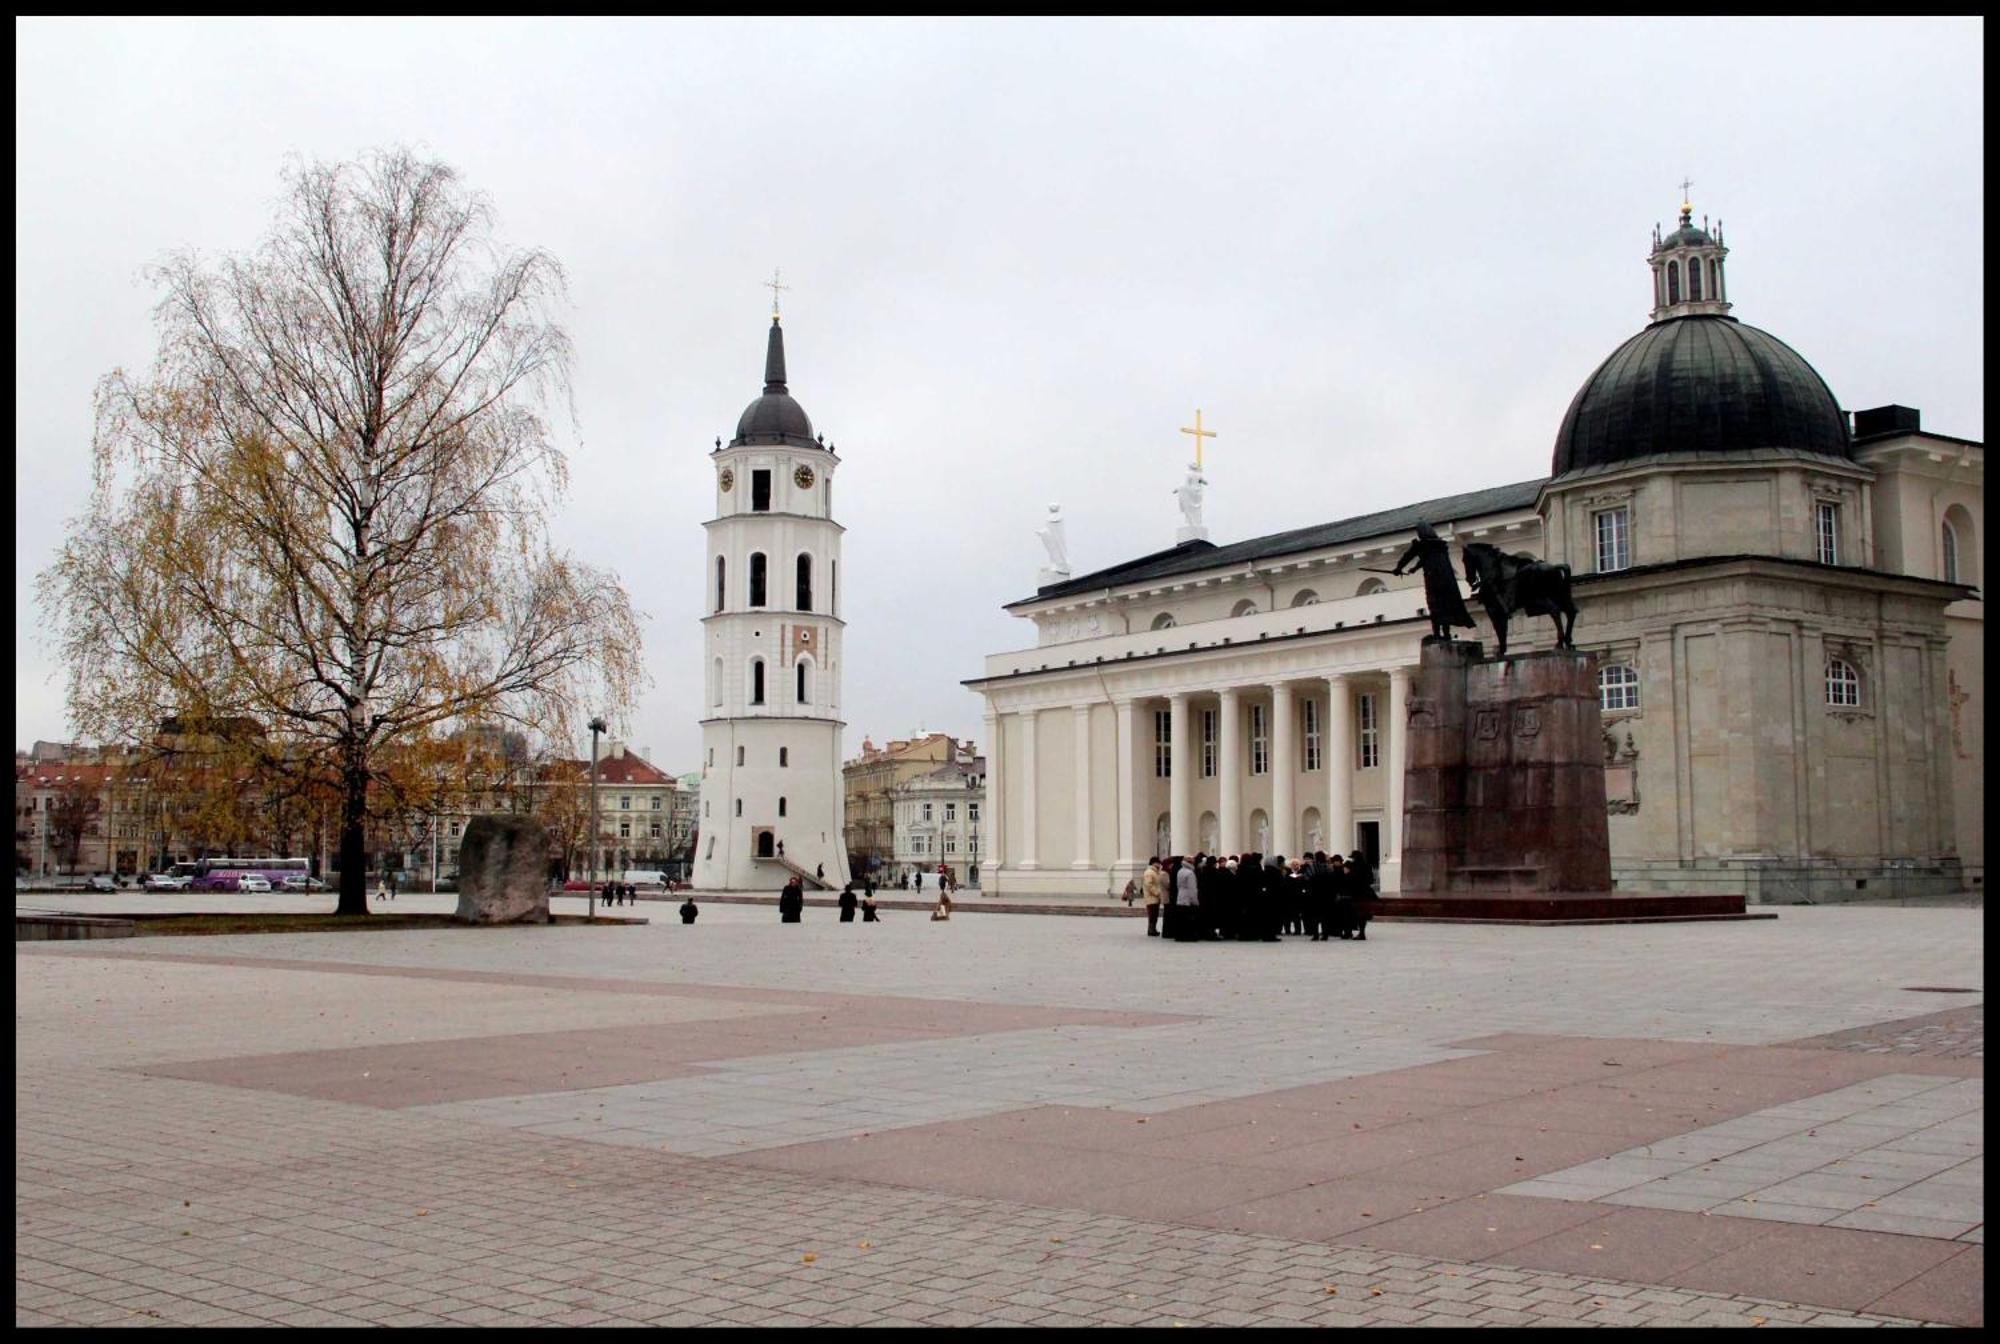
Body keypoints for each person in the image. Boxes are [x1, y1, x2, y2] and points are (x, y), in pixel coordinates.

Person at [1392, 519, 1478, 642]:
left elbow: (1407, 556)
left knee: (1434, 606)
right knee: (1445, 606)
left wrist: (1398, 568)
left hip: (1433, 580)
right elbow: (1428, 558)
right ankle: (1446, 634)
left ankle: (1437, 634)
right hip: (1446, 581)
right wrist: (1415, 568)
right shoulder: (1440, 545)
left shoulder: (1421, 545)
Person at [1141, 857, 1165, 936]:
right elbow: (1149, 885)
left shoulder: (1155, 872)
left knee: (1155, 914)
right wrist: (1157, 893)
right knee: (1152, 915)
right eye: (1158, 863)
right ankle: (1151, 930)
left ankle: (1153, 929)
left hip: (1154, 897)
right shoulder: (1149, 872)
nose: (1159, 864)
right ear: (1154, 863)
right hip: (1151, 897)